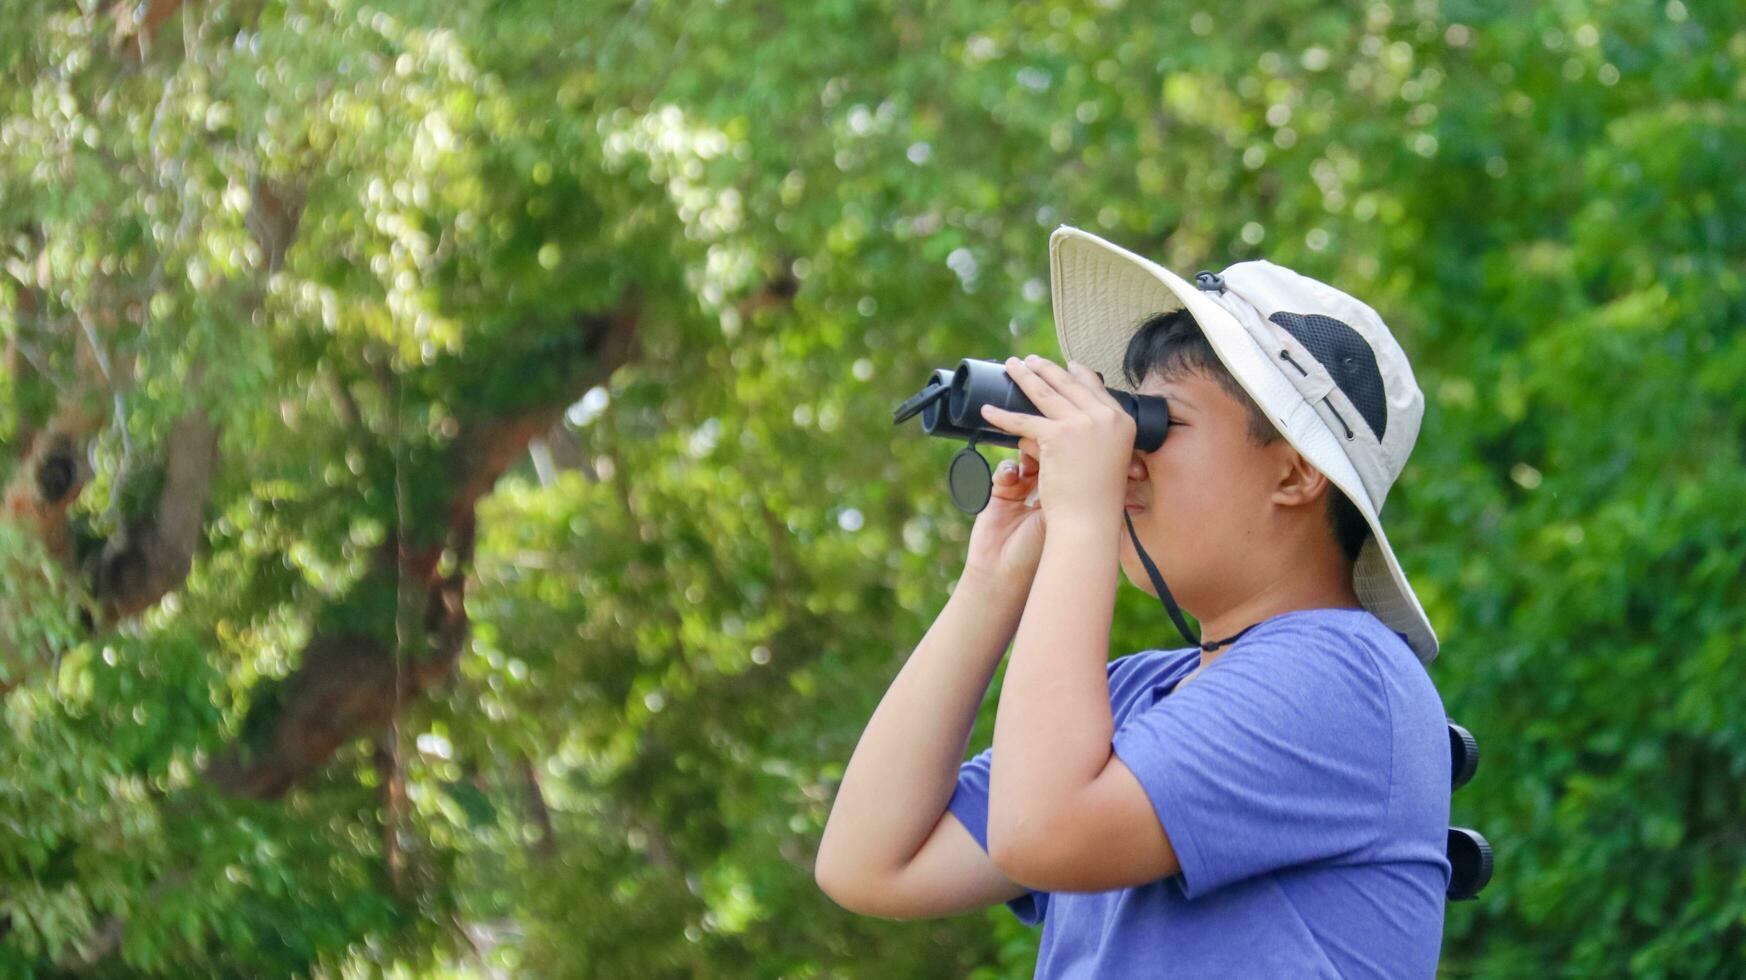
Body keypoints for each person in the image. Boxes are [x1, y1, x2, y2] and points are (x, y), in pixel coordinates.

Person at [815, 225, 1451, 978]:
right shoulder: (1137, 695)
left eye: (1157, 426)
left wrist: (1083, 519)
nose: (1126, 461)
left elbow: (1040, 832)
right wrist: (990, 583)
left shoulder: (1345, 673)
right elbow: (870, 864)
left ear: (1293, 475)